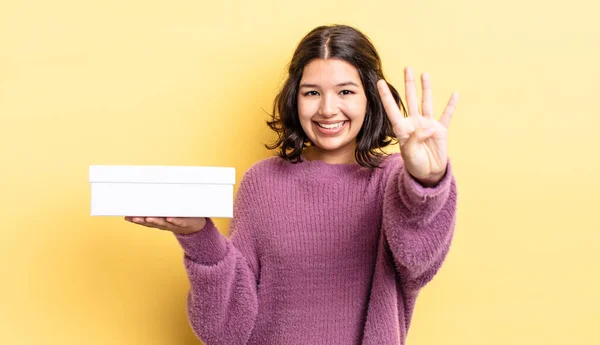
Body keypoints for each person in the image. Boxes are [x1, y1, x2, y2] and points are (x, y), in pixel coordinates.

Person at [125, 24, 458, 345]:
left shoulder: (394, 182)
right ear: (294, 98)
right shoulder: (263, 183)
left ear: (369, 97)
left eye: (345, 91)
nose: (328, 110)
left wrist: (425, 181)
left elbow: (417, 263)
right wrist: (198, 237)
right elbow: (224, 331)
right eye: (312, 93)